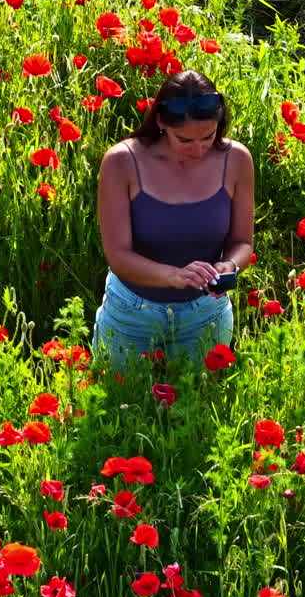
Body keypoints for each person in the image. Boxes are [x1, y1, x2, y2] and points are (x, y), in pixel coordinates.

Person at [90, 69, 254, 375]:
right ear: (161, 122)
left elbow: (242, 242)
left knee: (197, 409)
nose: (200, 148)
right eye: (185, 140)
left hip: (205, 312)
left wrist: (228, 266)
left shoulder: (237, 159)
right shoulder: (122, 162)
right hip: (132, 311)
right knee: (118, 408)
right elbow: (118, 255)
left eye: (209, 136)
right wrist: (174, 276)